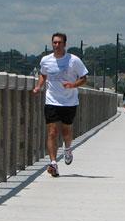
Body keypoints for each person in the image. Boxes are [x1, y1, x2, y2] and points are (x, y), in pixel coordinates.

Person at [32, 32, 88, 177]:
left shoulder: (74, 60)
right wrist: (39, 86)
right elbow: (44, 74)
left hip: (69, 101)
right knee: (52, 132)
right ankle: (53, 163)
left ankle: (68, 149)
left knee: (66, 131)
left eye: (59, 43)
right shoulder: (46, 60)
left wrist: (73, 84)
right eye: (54, 43)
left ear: (64, 44)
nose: (57, 45)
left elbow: (84, 78)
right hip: (51, 100)